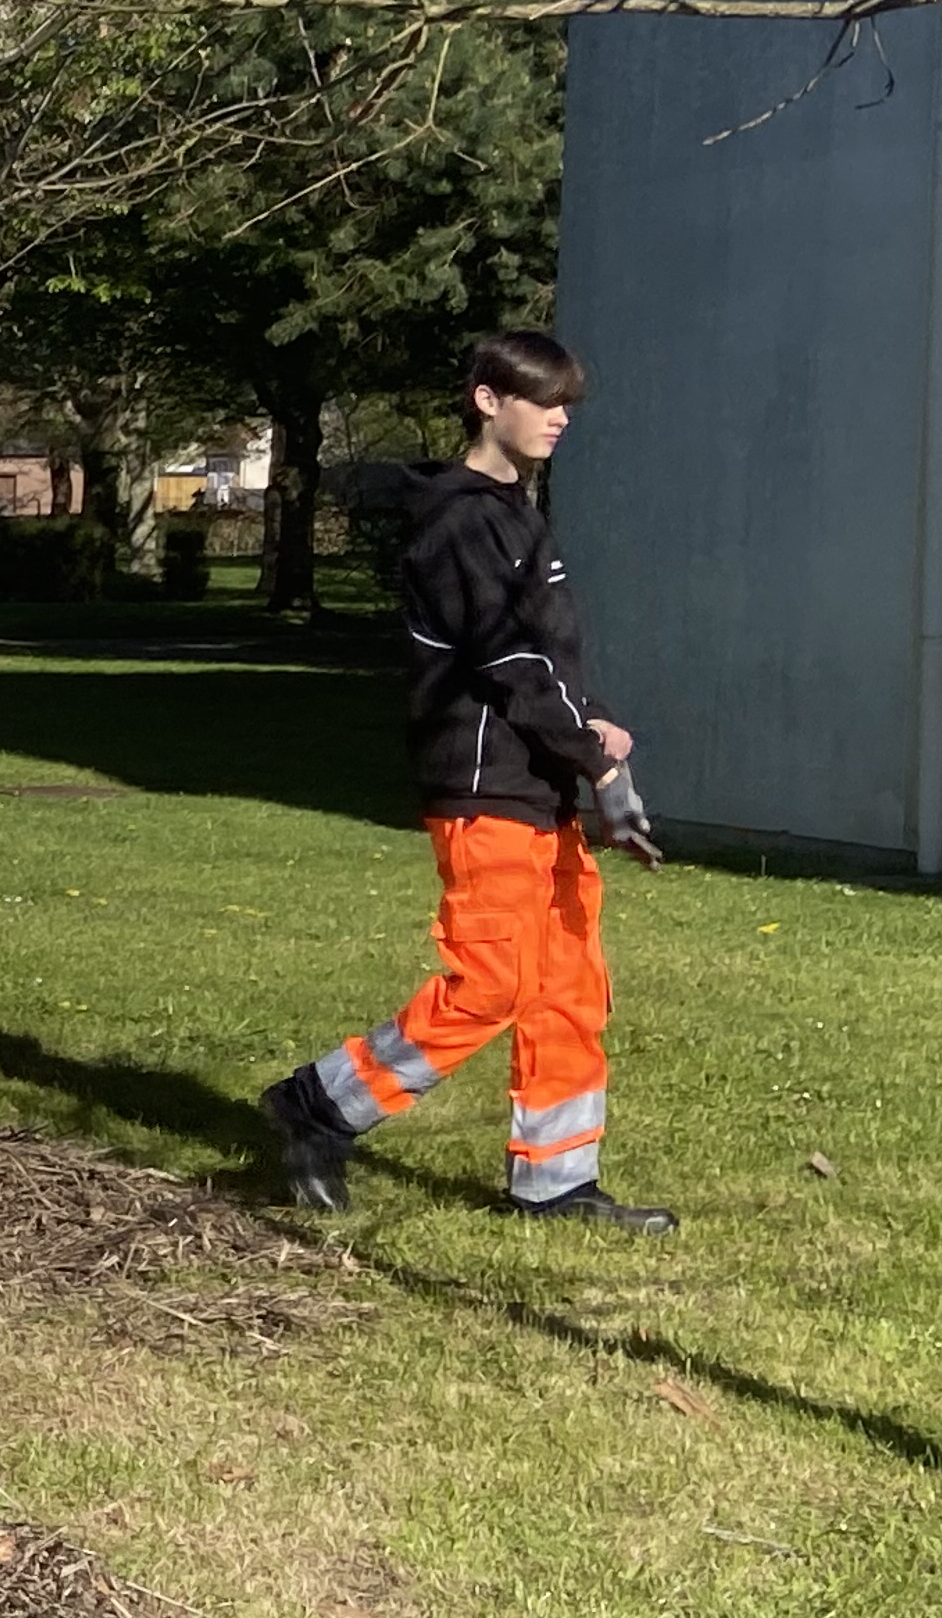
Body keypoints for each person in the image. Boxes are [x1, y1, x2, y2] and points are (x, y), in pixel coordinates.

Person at [262, 331, 674, 1228]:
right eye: (543, 398)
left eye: (568, 401)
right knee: (489, 986)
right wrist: (596, 755)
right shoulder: (460, 521)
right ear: (488, 400)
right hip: (484, 792)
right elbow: (511, 658)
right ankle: (320, 1105)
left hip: (540, 791)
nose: (561, 416)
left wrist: (593, 724)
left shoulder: (516, 513)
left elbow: (553, 655)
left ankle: (557, 1182)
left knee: (569, 984)